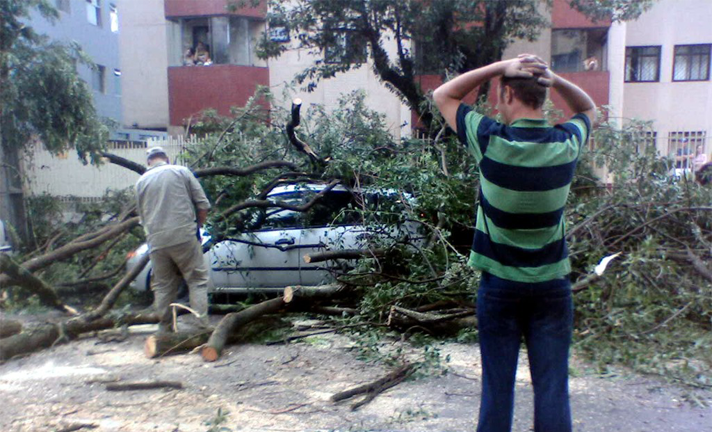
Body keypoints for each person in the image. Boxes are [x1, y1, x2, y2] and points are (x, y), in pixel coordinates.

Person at [434, 54, 596, 432]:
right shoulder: (566, 143)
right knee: (553, 392)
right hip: (552, 289)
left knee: (497, 392)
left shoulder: (491, 140)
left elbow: (443, 95)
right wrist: (552, 79)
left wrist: (499, 66)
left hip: (500, 289)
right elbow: (588, 108)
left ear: (506, 93)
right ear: (543, 98)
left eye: (498, 94)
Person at [135, 147, 212, 333]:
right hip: (184, 234)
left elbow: (142, 218)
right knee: (197, 280)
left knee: (162, 285)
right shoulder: (181, 171)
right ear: (167, 159)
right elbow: (203, 205)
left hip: (156, 240)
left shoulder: (141, 182)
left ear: (148, 162)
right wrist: (198, 228)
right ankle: (202, 327)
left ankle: (164, 328)